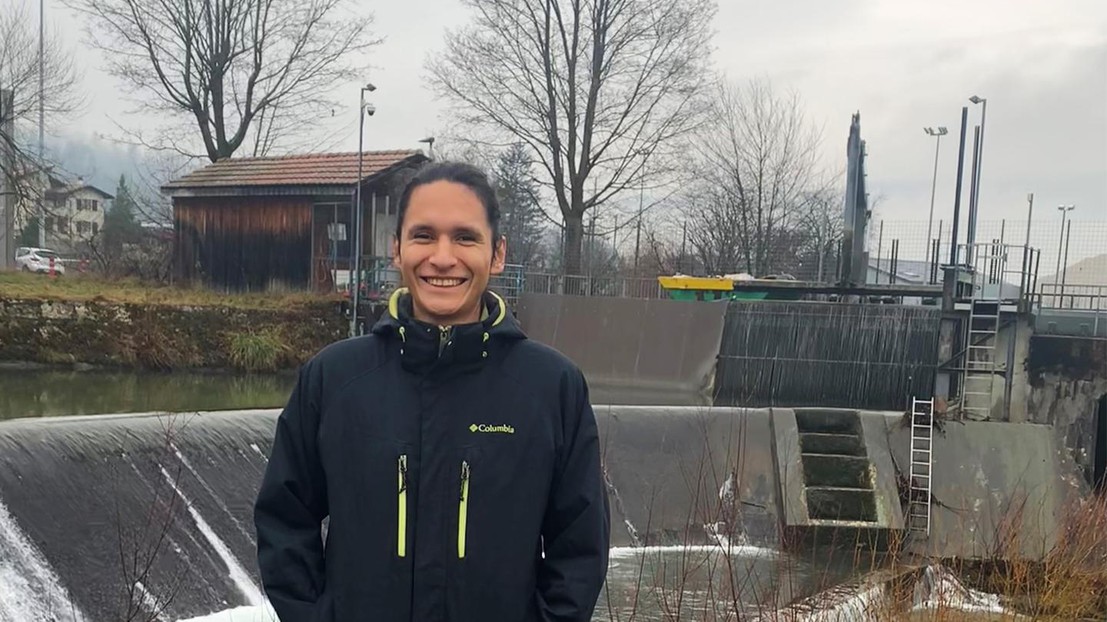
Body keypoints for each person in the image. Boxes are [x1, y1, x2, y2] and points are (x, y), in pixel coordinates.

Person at [254, 161, 610, 622]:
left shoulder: (549, 388)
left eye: (465, 237)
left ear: (497, 253)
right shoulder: (336, 379)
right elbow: (285, 520)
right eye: (424, 236)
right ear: (397, 249)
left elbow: (579, 550)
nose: (443, 258)